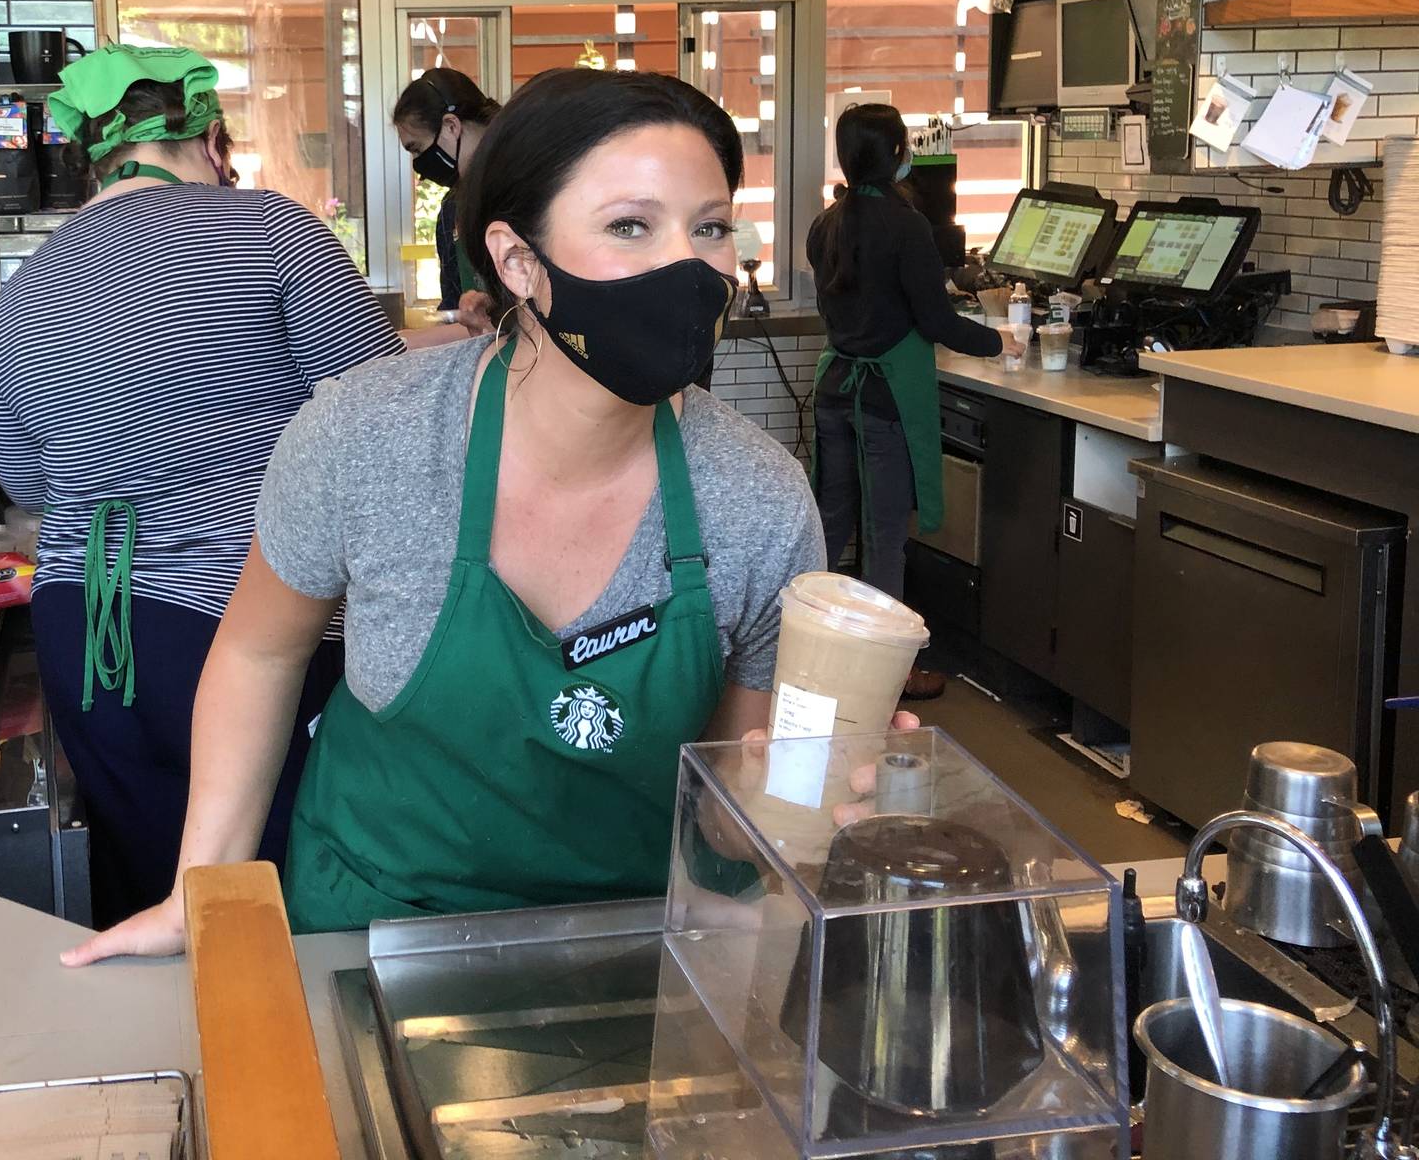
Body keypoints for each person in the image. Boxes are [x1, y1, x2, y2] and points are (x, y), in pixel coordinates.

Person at [63, 67, 915, 962]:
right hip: (375, 930)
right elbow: (258, 649)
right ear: (517, 261)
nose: (688, 266)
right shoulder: (368, 434)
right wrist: (200, 885)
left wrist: (807, 795)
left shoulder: (758, 498)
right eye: (630, 225)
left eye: (709, 228)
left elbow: (725, 812)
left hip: (624, 944)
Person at [0, 42, 405, 925]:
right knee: (291, 905)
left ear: (94, 155)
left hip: (86, 636)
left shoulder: (22, 293)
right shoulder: (274, 231)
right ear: (212, 138)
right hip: (248, 631)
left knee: (156, 909)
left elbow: (24, 477)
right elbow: (383, 424)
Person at [806, 103, 1004, 700]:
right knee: (886, 534)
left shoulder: (828, 223)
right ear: (897, 154)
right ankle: (885, 676)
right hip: (885, 397)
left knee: (831, 524)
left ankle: (811, 654)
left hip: (836, 386)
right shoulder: (906, 225)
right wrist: (1002, 338)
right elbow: (937, 321)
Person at [392, 67, 498, 327]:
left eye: (417, 149)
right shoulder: (452, 209)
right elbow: (454, 309)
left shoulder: (530, 188)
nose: (420, 168)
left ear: (451, 126)